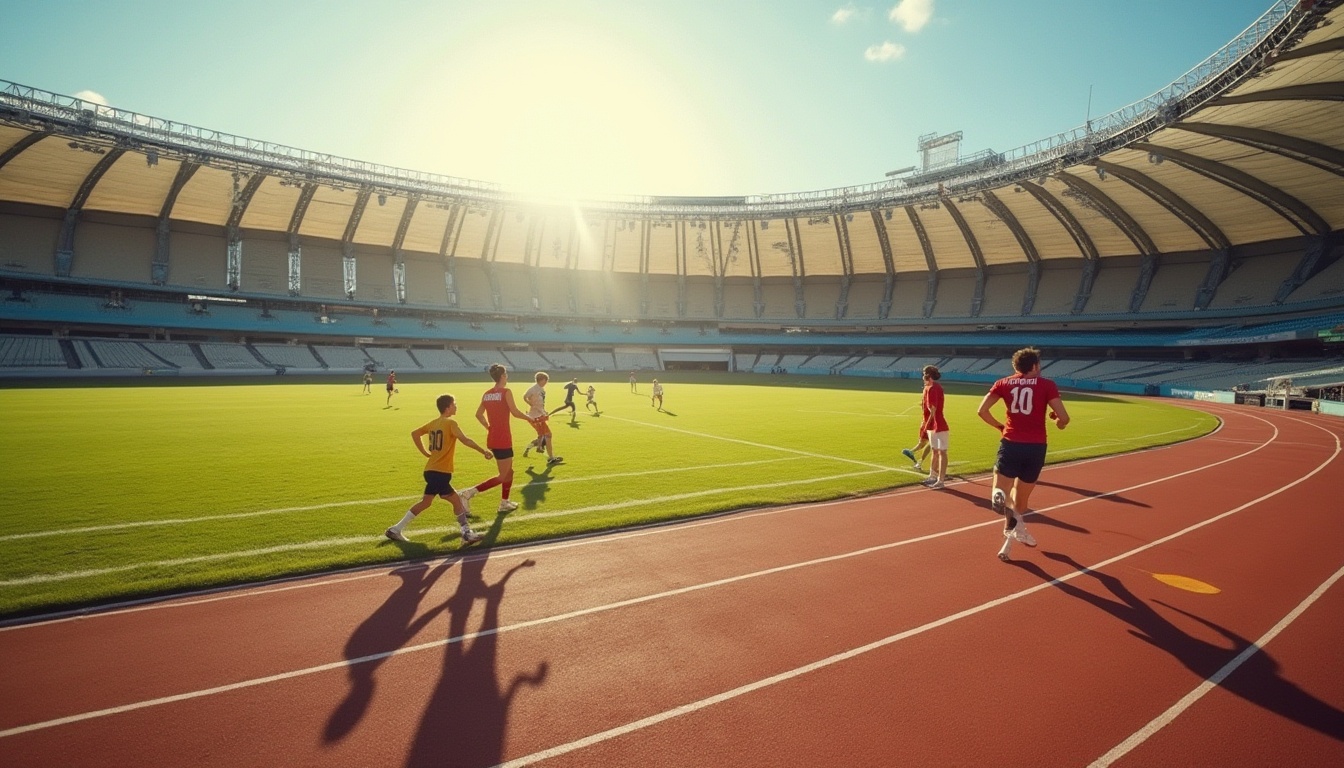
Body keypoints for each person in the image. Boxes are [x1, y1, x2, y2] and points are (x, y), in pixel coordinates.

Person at [977, 347, 1070, 562]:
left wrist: (1000, 426)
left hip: (1011, 443)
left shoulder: (1003, 383)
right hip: (1036, 447)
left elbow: (982, 411)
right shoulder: (1047, 385)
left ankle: (998, 496)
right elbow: (1064, 418)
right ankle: (1010, 541)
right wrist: (1057, 421)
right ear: (1035, 366)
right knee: (1021, 501)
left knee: (1002, 488)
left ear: (1016, 366)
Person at [384, 393, 494, 544]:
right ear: (448, 407)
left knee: (427, 502)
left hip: (431, 470)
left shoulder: (433, 423)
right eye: (454, 404)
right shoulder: (450, 423)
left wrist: (425, 453)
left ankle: (395, 529)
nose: (456, 406)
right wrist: (484, 451)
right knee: (455, 500)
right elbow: (465, 440)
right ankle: (467, 533)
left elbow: (415, 433)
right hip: (441, 472)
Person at [459, 364, 536, 514]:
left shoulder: (487, 394)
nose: (507, 377)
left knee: (509, 472)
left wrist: (488, 427)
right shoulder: (506, 392)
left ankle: (504, 502)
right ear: (502, 376)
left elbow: (478, 415)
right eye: (506, 374)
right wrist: (529, 418)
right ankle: (468, 493)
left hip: (493, 438)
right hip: (503, 439)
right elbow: (514, 412)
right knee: (503, 476)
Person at [918, 365, 950, 489]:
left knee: (942, 451)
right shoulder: (928, 388)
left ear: (928, 376)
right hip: (933, 424)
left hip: (939, 424)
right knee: (935, 450)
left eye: (924, 374)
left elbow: (933, 409)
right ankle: (932, 476)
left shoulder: (933, 388)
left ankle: (940, 479)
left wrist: (927, 424)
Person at [523, 371, 563, 465]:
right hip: (536, 417)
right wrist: (530, 404)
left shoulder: (541, 389)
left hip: (540, 415)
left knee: (544, 436)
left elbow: (540, 404)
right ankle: (550, 457)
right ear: (541, 380)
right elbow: (525, 397)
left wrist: (544, 412)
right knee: (548, 435)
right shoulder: (533, 389)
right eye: (546, 380)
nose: (547, 382)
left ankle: (539, 449)